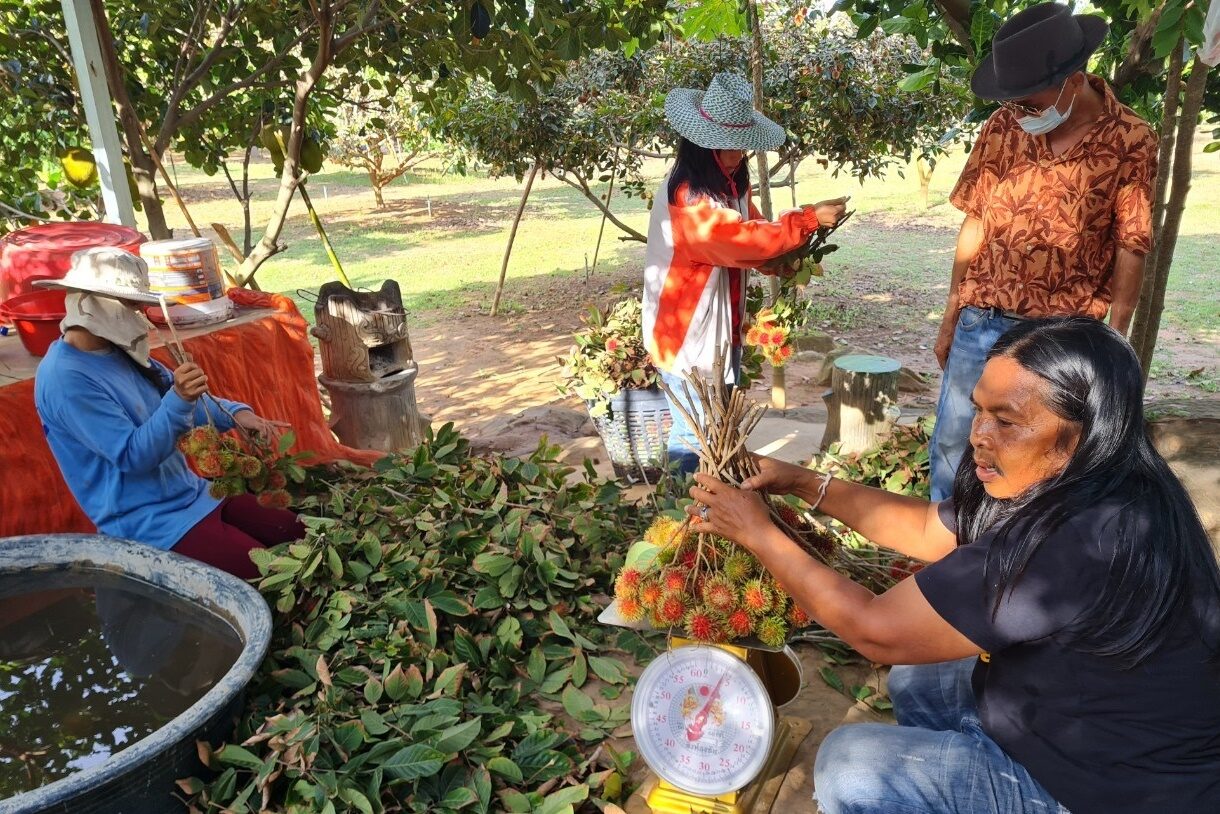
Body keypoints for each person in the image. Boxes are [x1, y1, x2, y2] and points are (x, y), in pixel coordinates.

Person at [687, 317, 1220, 813]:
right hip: (1082, 722)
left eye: (1006, 420)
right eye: (979, 410)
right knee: (923, 680)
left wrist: (758, 534)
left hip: (1103, 792)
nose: (978, 436)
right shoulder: (1092, 477)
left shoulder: (1078, 540)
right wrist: (804, 483)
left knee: (850, 763)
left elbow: (877, 631)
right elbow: (924, 529)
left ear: (1081, 433)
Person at [928, 2, 1158, 500]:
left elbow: (1132, 242)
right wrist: (952, 313)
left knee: (1042, 464)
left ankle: (1013, 568)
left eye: (1030, 102)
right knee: (953, 445)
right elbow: (976, 219)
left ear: (1073, 81)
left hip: (1061, 337)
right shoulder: (1002, 128)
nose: (1020, 112)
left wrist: (1113, 340)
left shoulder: (1131, 139)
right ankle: (943, 565)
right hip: (982, 320)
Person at [34, 247, 304, 579]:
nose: (141, 315)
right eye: (132, 305)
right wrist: (178, 398)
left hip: (195, 493)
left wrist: (237, 415)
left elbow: (183, 401)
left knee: (297, 535)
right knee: (265, 572)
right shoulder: (67, 378)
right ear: (89, 302)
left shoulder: (118, 350)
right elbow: (133, 456)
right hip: (149, 524)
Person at [643, 71, 847, 473]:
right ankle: (684, 511)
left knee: (714, 423)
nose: (740, 156)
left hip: (717, 326)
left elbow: (749, 225)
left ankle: (707, 507)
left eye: (743, 148)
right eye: (732, 147)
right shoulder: (688, 194)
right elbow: (736, 239)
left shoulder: (727, 181)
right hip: (687, 330)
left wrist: (784, 259)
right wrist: (804, 222)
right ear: (705, 145)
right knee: (693, 431)